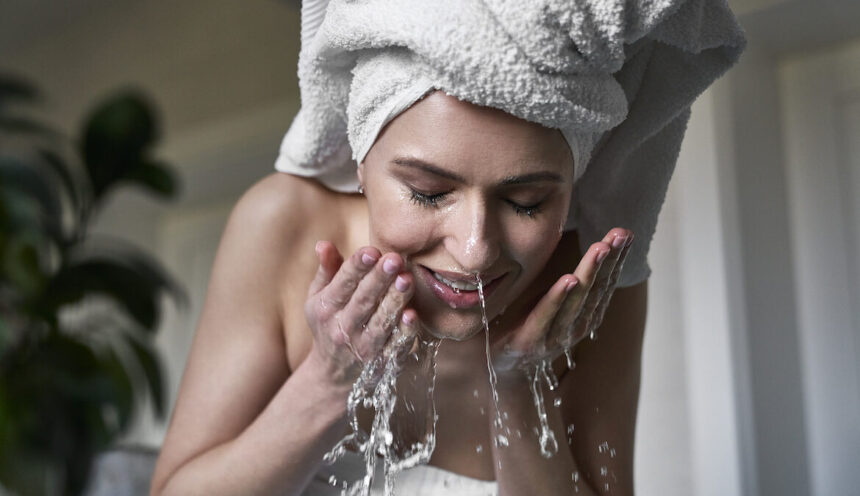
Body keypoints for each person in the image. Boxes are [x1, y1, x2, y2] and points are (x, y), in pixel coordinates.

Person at [150, 1, 745, 495]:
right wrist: (329, 382)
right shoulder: (283, 227)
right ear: (361, 159)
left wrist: (517, 386)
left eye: (527, 202)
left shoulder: (584, 279)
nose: (475, 249)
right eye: (429, 193)